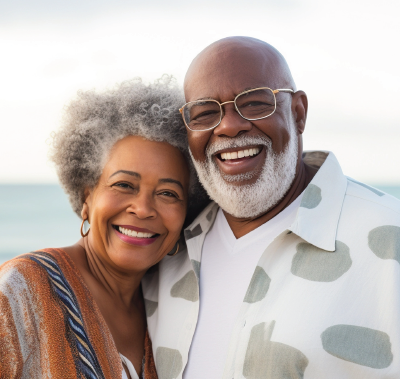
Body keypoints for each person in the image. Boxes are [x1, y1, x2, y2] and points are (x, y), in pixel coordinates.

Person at [143, 37, 400, 378]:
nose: (229, 126)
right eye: (205, 113)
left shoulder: (389, 241)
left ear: (298, 113)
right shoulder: (166, 249)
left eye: (253, 103)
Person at [0, 76, 199, 379]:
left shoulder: (169, 307)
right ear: (86, 196)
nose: (143, 208)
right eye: (123, 185)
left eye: (168, 193)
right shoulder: (20, 290)